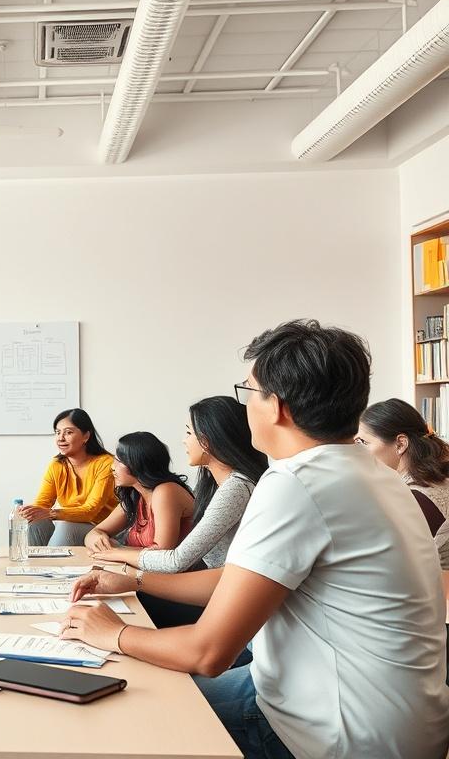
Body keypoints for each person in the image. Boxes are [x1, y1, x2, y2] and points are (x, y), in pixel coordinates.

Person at [62, 320, 449, 759]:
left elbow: (208, 652)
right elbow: (239, 578)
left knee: (131, 713)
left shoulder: (296, 481)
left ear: (277, 407)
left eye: (248, 392)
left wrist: (112, 633)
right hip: (395, 720)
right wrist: (134, 582)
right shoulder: (376, 476)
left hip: (336, 735)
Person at [90, 397, 268, 628]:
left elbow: (176, 560)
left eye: (188, 433)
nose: (184, 441)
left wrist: (117, 553)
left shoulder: (236, 487)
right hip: (214, 592)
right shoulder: (215, 484)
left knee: (125, 604)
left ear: (207, 441)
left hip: (226, 602)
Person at [357, 397, 449, 567]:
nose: (358, 452)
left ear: (400, 444)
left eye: (363, 442)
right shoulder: (438, 481)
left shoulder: (415, 500)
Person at [82, 432, 194, 553]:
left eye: (119, 461)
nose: (113, 467)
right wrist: (99, 540)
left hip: (178, 571)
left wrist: (117, 550)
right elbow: (94, 533)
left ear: (138, 464)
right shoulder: (135, 495)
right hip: (142, 569)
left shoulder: (166, 491)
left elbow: (162, 554)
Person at [23, 408, 117, 547]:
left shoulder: (105, 463)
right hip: (68, 524)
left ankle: (52, 568)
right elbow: (41, 505)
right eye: (57, 432)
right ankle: (33, 567)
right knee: (34, 522)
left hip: (101, 528)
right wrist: (30, 512)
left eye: (68, 432)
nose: (61, 438)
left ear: (86, 436)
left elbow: (91, 511)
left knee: (66, 527)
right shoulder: (57, 465)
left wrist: (52, 513)